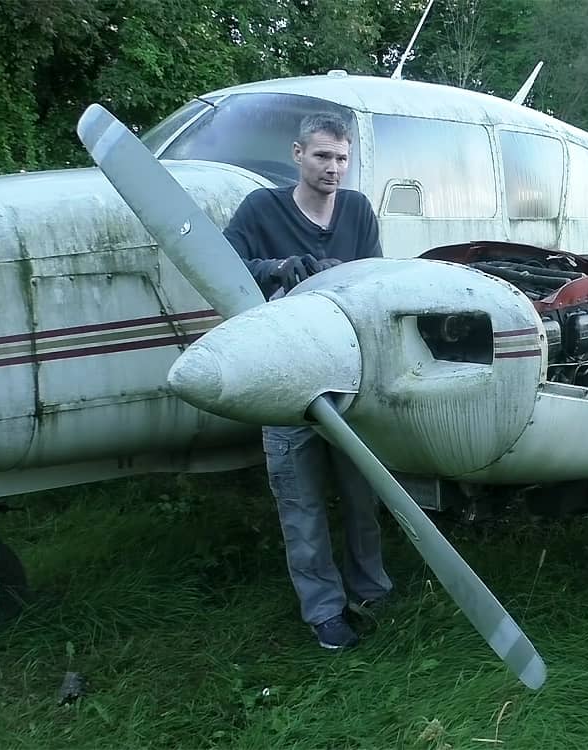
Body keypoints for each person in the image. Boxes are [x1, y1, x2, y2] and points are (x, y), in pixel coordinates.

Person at [222, 113, 393, 650]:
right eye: (322, 156)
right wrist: (278, 268)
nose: (333, 168)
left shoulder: (359, 211)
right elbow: (222, 264)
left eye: (342, 158)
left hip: (347, 376)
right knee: (300, 500)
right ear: (298, 154)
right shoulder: (261, 209)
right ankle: (324, 611)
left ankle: (372, 590)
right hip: (285, 376)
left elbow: (377, 282)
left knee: (362, 491)